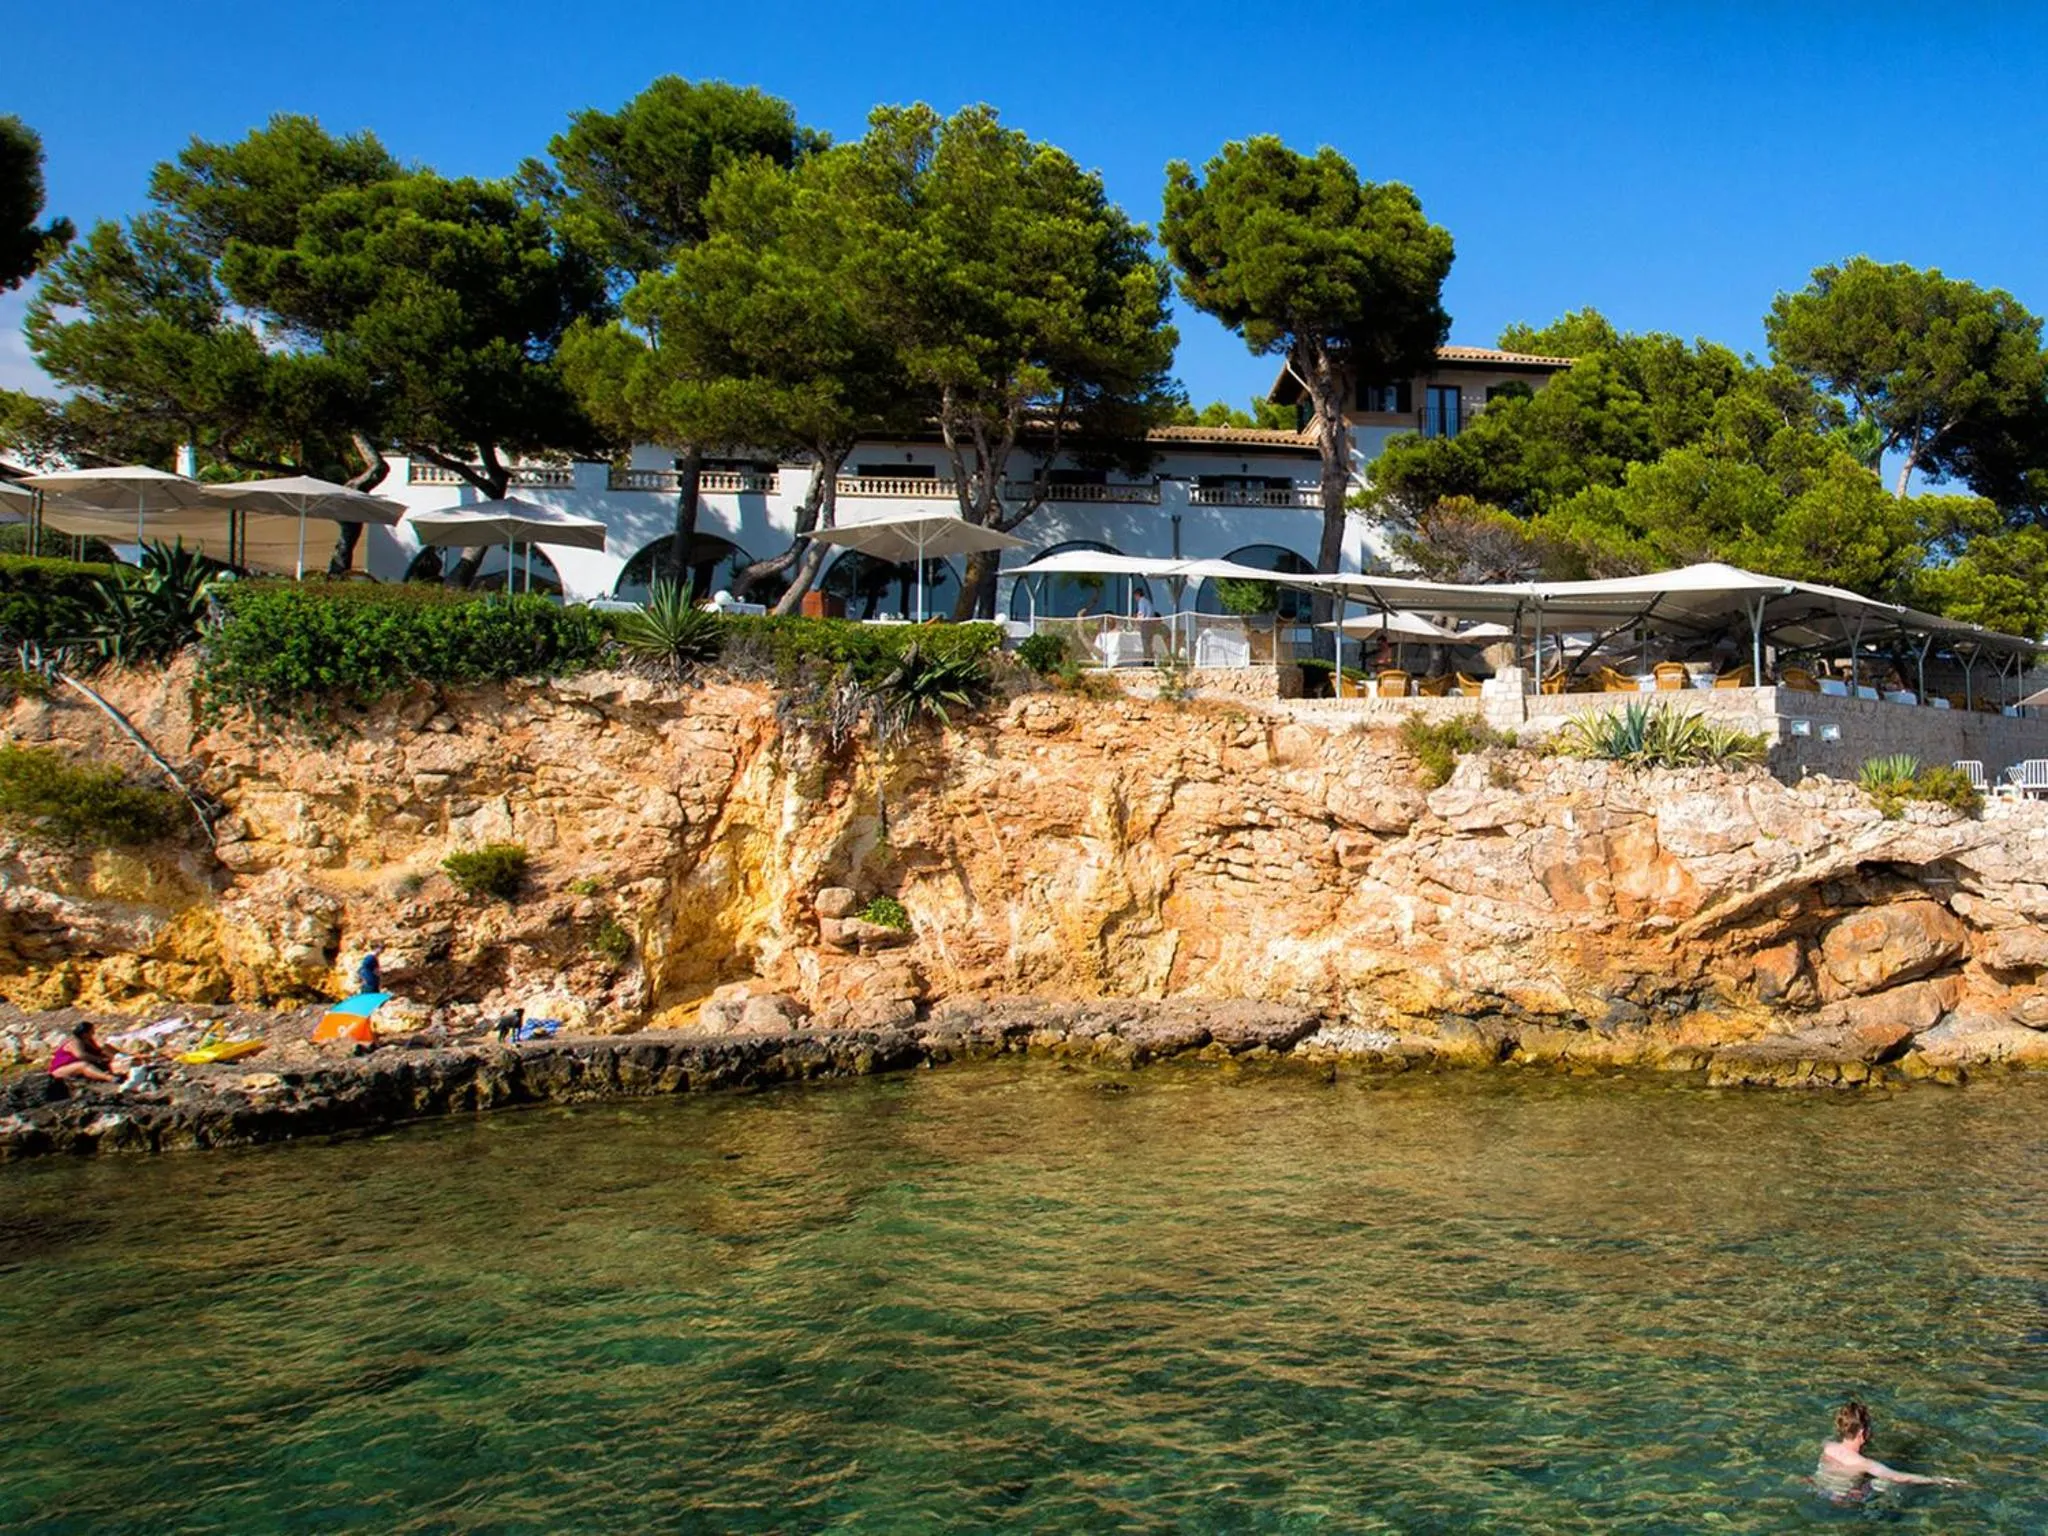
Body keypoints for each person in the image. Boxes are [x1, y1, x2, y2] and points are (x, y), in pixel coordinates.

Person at [1815, 1401, 1959, 1496]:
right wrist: (1938, 1480)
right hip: (1846, 1502)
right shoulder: (1865, 1464)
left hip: (1819, 1490)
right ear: (1861, 1432)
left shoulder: (1828, 1446)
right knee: (1883, 1483)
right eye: (1869, 1427)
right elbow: (1900, 1477)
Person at [48, 1021, 119, 1085]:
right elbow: (81, 1055)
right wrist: (99, 1059)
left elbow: (98, 1051)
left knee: (106, 1047)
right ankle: (109, 1078)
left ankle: (122, 1059)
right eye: (91, 1031)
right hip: (61, 1069)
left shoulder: (88, 1040)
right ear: (85, 1033)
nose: (93, 1033)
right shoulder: (75, 1042)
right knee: (83, 1065)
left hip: (78, 1064)